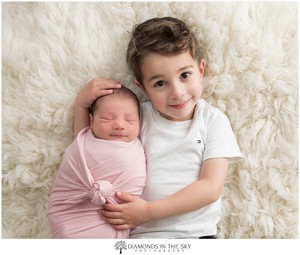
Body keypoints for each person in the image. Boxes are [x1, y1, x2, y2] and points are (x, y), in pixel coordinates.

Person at [74, 17, 243, 239]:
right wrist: (81, 106)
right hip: (142, 238)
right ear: (142, 87)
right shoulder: (137, 118)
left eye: (185, 75)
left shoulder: (212, 121)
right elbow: (90, 152)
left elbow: (210, 187)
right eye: (160, 83)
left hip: (195, 237)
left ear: (201, 70)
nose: (177, 92)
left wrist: (148, 212)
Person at [48, 86, 146, 238]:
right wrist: (81, 104)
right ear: (91, 122)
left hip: (111, 216)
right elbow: (77, 161)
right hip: (71, 212)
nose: (120, 125)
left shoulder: (139, 146)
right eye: (107, 118)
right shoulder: (83, 142)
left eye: (129, 120)